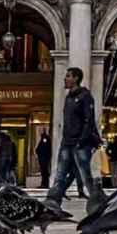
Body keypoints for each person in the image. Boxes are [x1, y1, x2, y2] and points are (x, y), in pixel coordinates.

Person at [45, 68, 99, 209]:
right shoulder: (69, 97)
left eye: (68, 76)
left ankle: (97, 203)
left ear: (76, 78)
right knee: (60, 173)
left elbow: (89, 120)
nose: (65, 78)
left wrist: (82, 140)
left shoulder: (85, 96)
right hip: (67, 141)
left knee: (85, 175)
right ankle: (53, 203)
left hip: (79, 143)